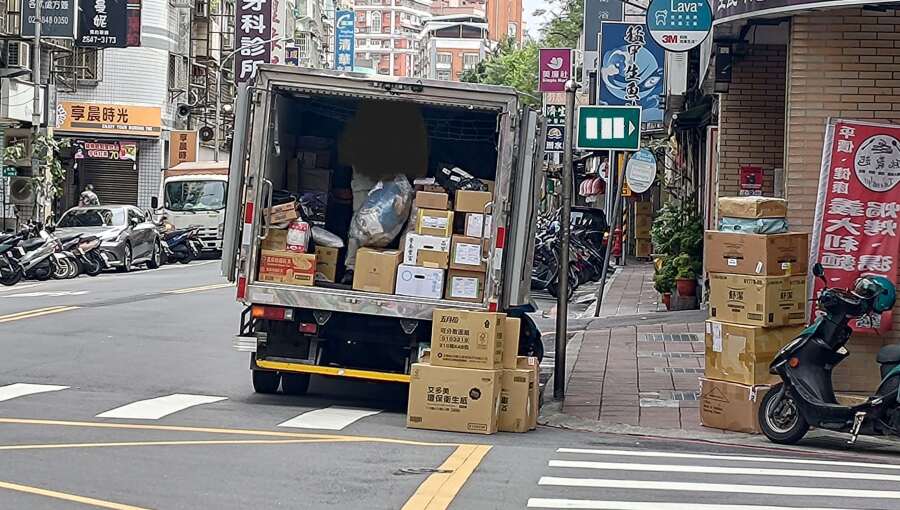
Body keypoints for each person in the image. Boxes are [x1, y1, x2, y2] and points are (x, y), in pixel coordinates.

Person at [337, 100, 428, 280]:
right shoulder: (406, 111)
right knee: (368, 222)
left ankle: (367, 269)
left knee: (371, 221)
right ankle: (362, 268)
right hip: (375, 170)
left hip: (387, 172)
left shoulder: (371, 105)